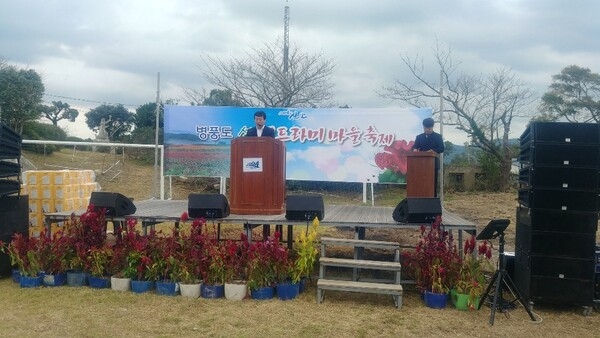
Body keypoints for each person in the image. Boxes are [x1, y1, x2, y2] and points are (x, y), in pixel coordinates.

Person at [412, 117, 444, 196]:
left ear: (432, 127)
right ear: (423, 127)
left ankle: (433, 201)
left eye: (429, 128)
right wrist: (415, 149)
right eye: (425, 128)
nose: (427, 130)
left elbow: (442, 148)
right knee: (421, 184)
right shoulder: (419, 137)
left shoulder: (438, 136)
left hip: (433, 164)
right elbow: (414, 147)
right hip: (421, 165)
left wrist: (433, 150)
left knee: (432, 184)